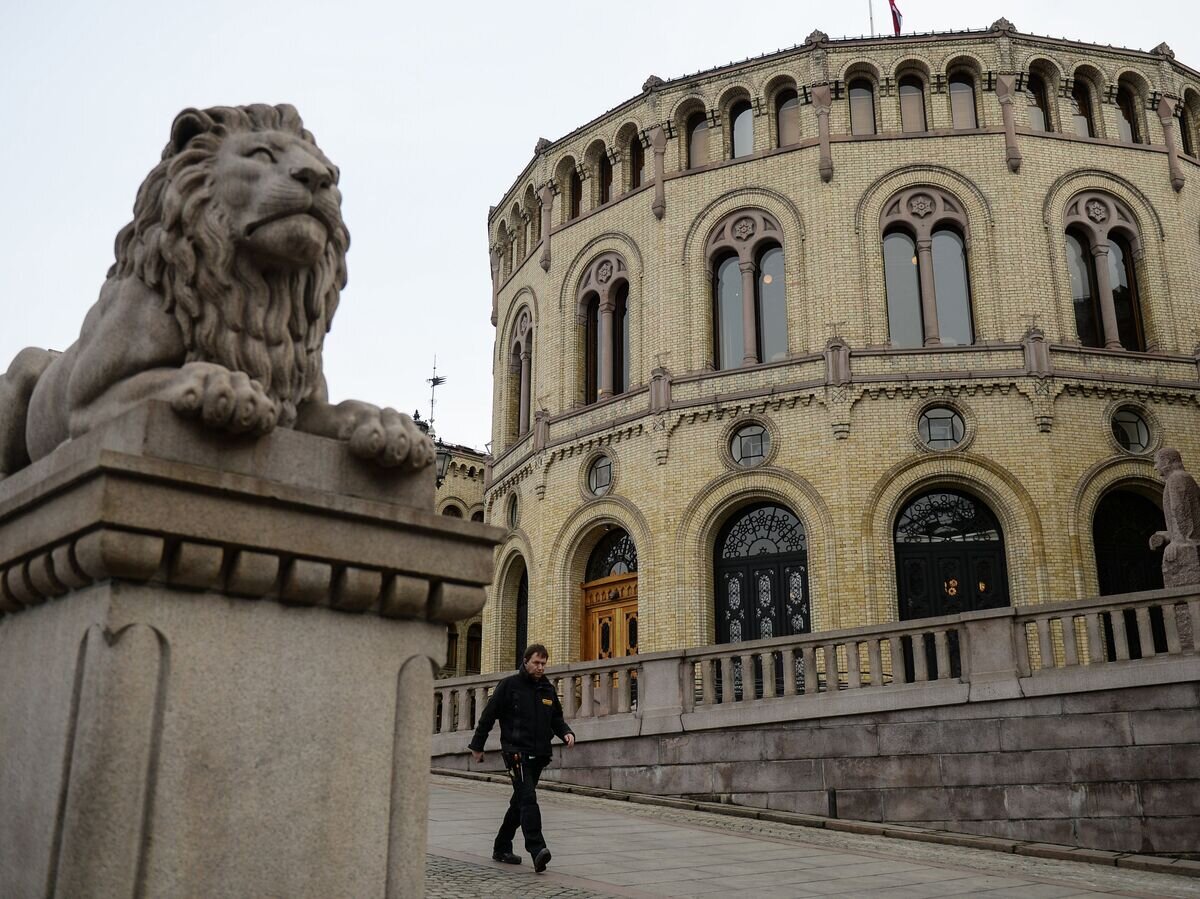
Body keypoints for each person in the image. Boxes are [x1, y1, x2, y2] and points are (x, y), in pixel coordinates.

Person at [468, 643, 575, 873]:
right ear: (525, 661)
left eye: (544, 664)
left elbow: (556, 718)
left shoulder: (547, 689)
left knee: (519, 802)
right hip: (515, 752)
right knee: (528, 799)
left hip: (539, 754)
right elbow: (488, 716)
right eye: (536, 663)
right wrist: (477, 745)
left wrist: (566, 732)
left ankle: (501, 846)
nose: (540, 668)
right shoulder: (509, 686)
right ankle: (537, 850)